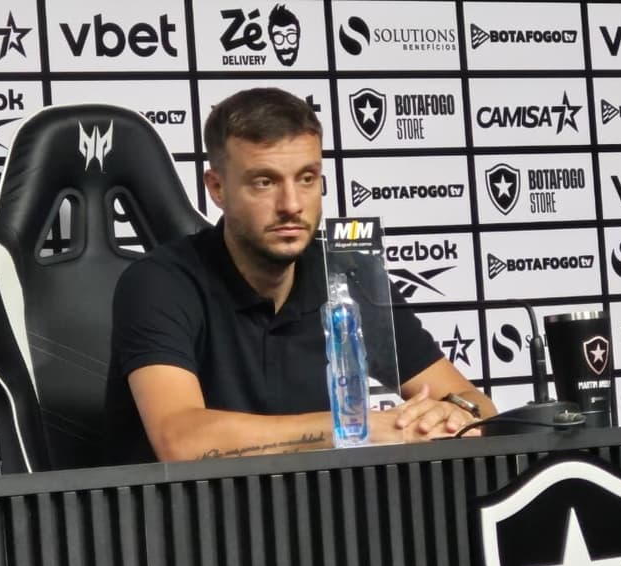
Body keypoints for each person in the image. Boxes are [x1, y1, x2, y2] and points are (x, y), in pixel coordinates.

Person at [104, 88, 495, 464]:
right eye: (265, 182)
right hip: (189, 523)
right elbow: (183, 441)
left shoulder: (348, 273)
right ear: (217, 188)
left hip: (317, 516)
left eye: (307, 178)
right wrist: (356, 429)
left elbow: (475, 403)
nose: (291, 205)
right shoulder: (159, 283)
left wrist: (455, 415)